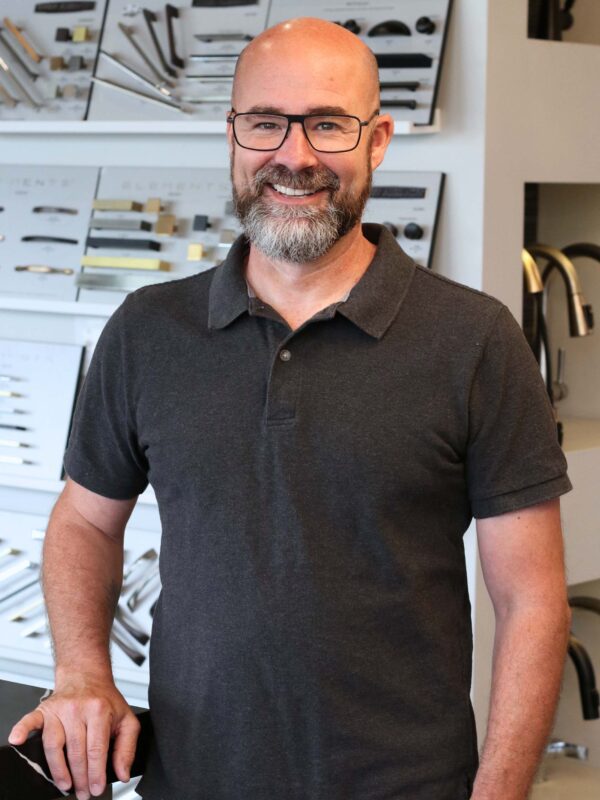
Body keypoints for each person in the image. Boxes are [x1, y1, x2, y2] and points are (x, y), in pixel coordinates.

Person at [9, 17, 572, 800]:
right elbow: (84, 520)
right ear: (233, 135)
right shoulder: (148, 328)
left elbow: (533, 598)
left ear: (377, 141)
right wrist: (80, 671)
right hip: (190, 782)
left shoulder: (473, 339)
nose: (294, 156)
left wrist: (500, 793)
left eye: (328, 124)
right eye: (266, 122)